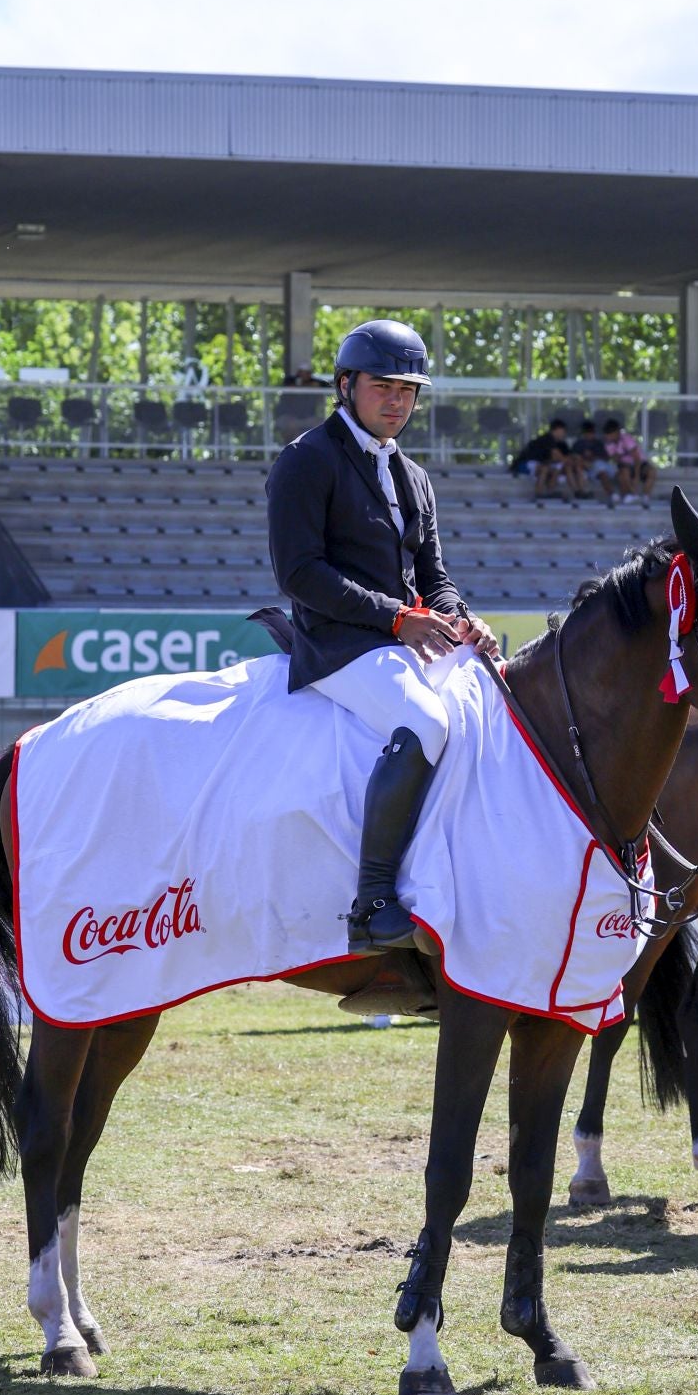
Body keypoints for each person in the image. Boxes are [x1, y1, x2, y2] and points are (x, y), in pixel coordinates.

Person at [266, 318, 499, 955]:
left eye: (408, 389)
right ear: (346, 385)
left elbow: (435, 577)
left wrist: (461, 617)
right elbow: (299, 572)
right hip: (338, 646)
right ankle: (370, 903)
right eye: (383, 386)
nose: (397, 401)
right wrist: (399, 619)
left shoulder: (413, 476)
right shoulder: (305, 460)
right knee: (427, 722)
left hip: (403, 639)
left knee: (496, 712)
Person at [510, 417, 586, 500]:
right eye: (563, 431)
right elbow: (559, 456)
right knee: (545, 468)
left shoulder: (559, 443)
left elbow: (558, 459)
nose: (564, 434)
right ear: (558, 429)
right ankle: (539, 493)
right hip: (525, 463)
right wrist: (571, 461)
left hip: (538, 464)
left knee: (556, 469)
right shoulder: (548, 438)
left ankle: (561, 492)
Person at [602, 418, 656, 506]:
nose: (608, 437)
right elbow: (615, 459)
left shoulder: (627, 438)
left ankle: (645, 497)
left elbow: (637, 458)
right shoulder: (608, 444)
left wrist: (637, 476)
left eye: (610, 434)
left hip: (639, 464)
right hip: (625, 466)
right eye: (607, 435)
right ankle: (630, 495)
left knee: (652, 472)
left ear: (616, 432)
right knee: (623, 473)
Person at [571, 417, 617, 505]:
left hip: (598, 467)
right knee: (579, 466)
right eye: (587, 433)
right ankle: (582, 493)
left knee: (601, 471)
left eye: (591, 432)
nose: (589, 435)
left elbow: (606, 458)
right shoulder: (578, 444)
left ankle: (612, 494)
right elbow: (573, 456)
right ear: (583, 433)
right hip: (583, 470)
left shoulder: (598, 444)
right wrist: (583, 460)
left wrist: (593, 457)